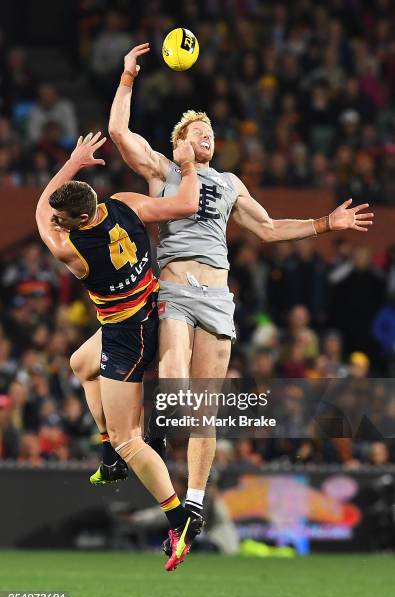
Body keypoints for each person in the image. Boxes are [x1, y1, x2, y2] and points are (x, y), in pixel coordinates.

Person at [105, 43, 374, 529]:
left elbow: (268, 228)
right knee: (172, 362)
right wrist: (127, 79)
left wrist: (325, 223)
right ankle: (165, 421)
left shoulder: (229, 183)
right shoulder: (163, 171)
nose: (205, 135)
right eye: (194, 131)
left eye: (209, 132)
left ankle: (195, 503)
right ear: (178, 143)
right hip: (175, 287)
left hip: (218, 298)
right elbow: (119, 132)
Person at [35, 129, 202, 571]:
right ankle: (108, 455)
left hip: (129, 334)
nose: (56, 220)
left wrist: (71, 161)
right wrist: (187, 166)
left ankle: (179, 519)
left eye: (61, 217)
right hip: (150, 308)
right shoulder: (125, 203)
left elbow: (41, 209)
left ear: (72, 222)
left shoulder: (70, 249)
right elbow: (186, 203)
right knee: (80, 364)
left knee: (133, 440)